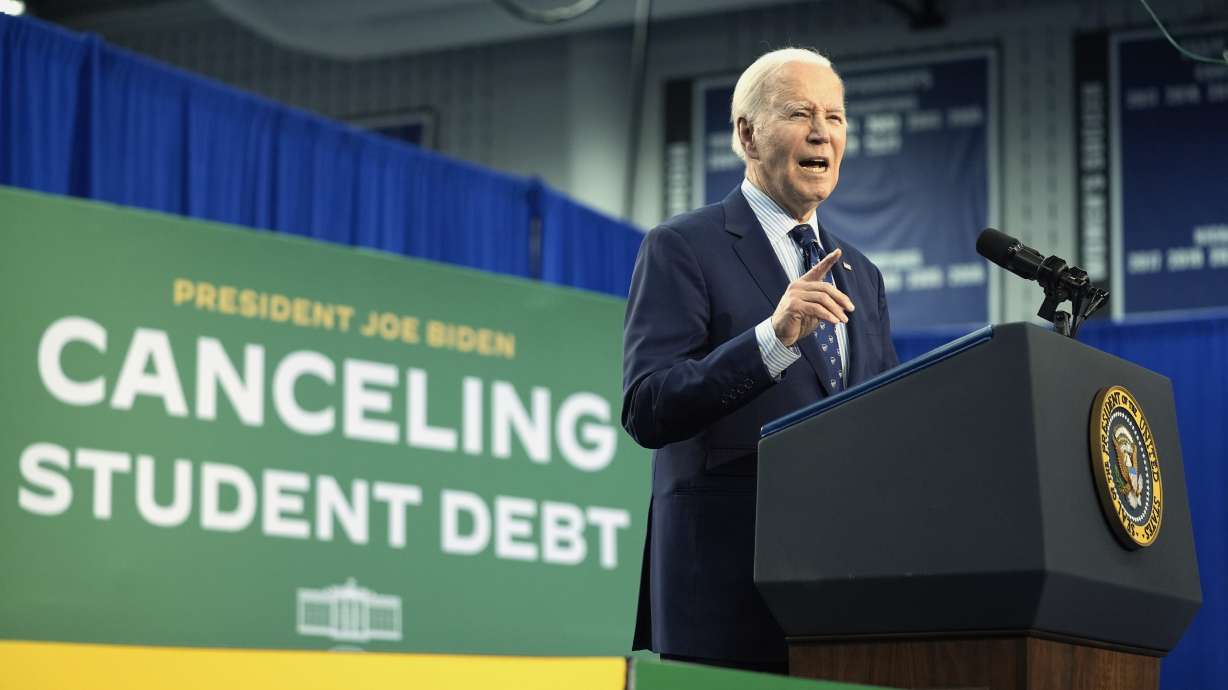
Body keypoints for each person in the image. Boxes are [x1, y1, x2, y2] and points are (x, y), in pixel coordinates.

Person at [622, 47, 900, 673]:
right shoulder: (682, 247)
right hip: (725, 592)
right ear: (747, 133)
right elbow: (649, 407)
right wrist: (771, 339)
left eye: (836, 116)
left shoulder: (863, 275)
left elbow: (883, 420)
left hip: (846, 593)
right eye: (800, 113)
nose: (823, 132)